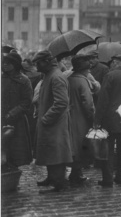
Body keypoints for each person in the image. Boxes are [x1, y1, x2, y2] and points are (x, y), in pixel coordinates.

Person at [32, 50, 73, 192]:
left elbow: (61, 103)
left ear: (47, 62)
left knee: (56, 154)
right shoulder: (48, 75)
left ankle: (58, 183)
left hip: (54, 124)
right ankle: (51, 178)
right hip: (50, 123)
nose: (36, 66)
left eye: (38, 63)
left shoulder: (56, 77)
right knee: (50, 152)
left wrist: (46, 118)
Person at [95, 55, 121, 187]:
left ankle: (107, 179)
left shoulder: (110, 76)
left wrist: (97, 119)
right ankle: (120, 177)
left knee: (107, 149)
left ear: (115, 63)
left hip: (110, 118)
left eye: (112, 63)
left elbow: (103, 99)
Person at [67, 55, 95, 185]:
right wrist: (92, 117)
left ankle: (75, 173)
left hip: (69, 117)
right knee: (80, 146)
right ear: (85, 70)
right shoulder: (82, 81)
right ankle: (76, 174)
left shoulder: (68, 78)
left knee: (73, 146)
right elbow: (88, 103)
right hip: (81, 118)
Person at [2, 51, 33, 168]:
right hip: (1, 120)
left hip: (17, 122)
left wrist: (12, 113)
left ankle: (12, 178)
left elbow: (26, 102)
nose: (5, 65)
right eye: (3, 63)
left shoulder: (24, 80)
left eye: (8, 63)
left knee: (15, 153)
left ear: (15, 64)